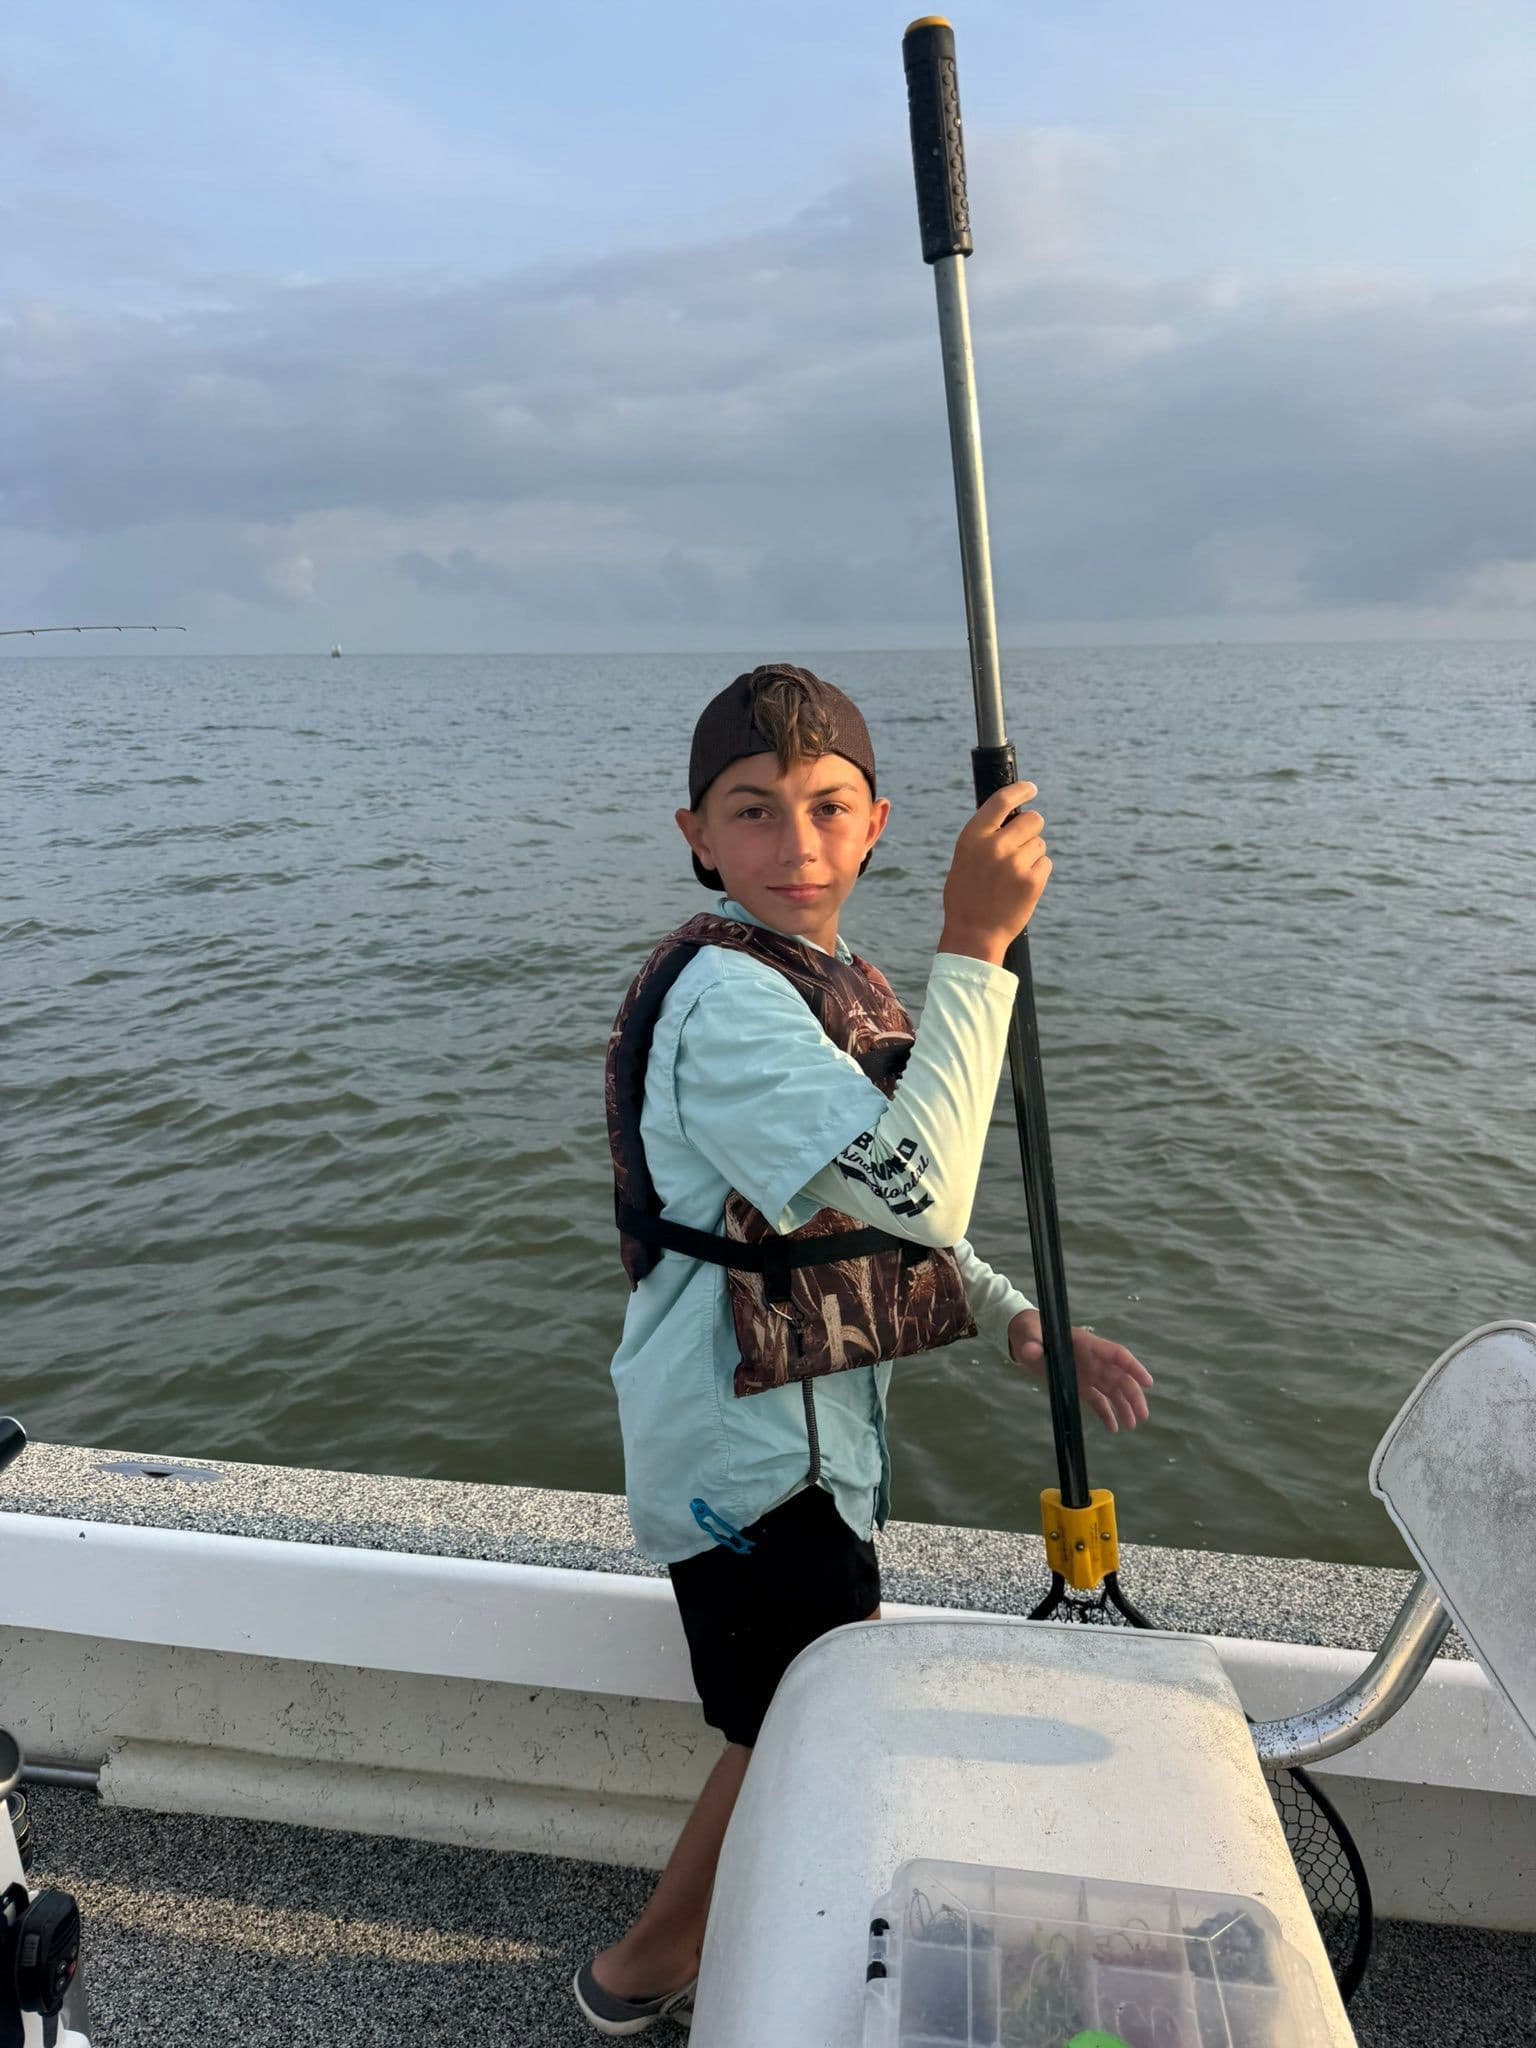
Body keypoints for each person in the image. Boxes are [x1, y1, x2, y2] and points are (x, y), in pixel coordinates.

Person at [577, 663, 1152, 2035]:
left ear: (878, 821)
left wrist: (1015, 1316)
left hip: (812, 1433)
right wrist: (978, 943)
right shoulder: (725, 1002)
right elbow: (915, 1189)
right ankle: (647, 1965)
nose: (799, 846)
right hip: (746, 1452)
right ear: (697, 836)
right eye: (756, 813)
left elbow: (870, 1196)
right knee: (785, 1720)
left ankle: (676, 1952)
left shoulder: (822, 980)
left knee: (795, 1700)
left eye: (829, 809)